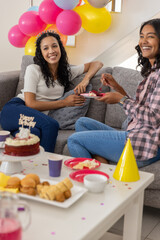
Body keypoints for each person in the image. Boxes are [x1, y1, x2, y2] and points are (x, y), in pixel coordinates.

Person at [68, 18, 160, 168]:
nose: (144, 41)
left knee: (74, 140)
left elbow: (153, 118)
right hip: (138, 133)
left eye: (150, 36)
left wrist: (121, 99)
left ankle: (98, 179)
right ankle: (102, 163)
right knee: (82, 123)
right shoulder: (152, 72)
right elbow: (141, 110)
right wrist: (118, 88)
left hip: (144, 144)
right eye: (142, 36)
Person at [1, 31, 103, 152]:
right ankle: (46, 166)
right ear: (41, 53)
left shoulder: (66, 73)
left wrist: (85, 80)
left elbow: (97, 63)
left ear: (60, 47)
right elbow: (30, 104)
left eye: (54, 46)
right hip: (15, 110)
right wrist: (65, 102)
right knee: (51, 125)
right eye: (46, 48)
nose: (51, 51)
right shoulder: (33, 69)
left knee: (34, 134)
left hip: (30, 120)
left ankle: (27, 167)